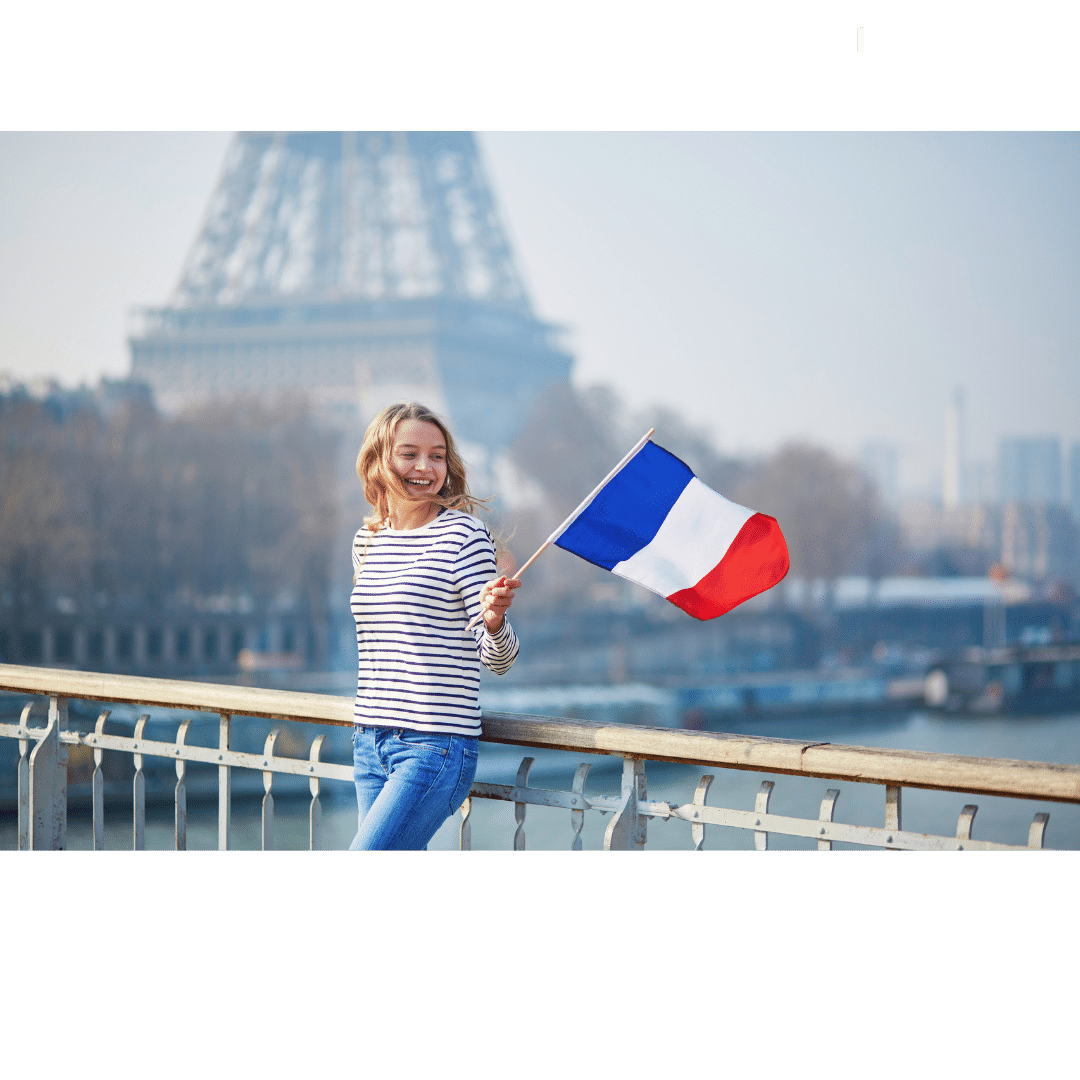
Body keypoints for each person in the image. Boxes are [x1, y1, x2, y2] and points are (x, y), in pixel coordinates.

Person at [348, 402, 520, 850]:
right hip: (369, 741)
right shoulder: (367, 541)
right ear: (379, 459)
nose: (425, 467)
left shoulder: (464, 536)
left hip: (433, 748)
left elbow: (498, 658)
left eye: (437, 455)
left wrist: (494, 620)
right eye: (409, 454)